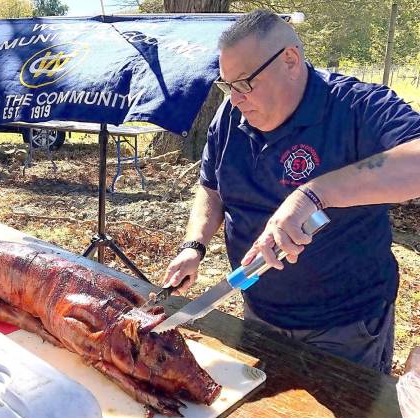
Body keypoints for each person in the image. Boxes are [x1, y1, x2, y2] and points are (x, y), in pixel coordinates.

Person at [163, 9, 420, 374]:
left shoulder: (356, 107)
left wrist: (312, 194)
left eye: (244, 83)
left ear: (290, 60)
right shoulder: (230, 116)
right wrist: (194, 246)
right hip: (258, 313)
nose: (235, 98)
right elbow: (211, 187)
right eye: (227, 85)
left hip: (346, 328)